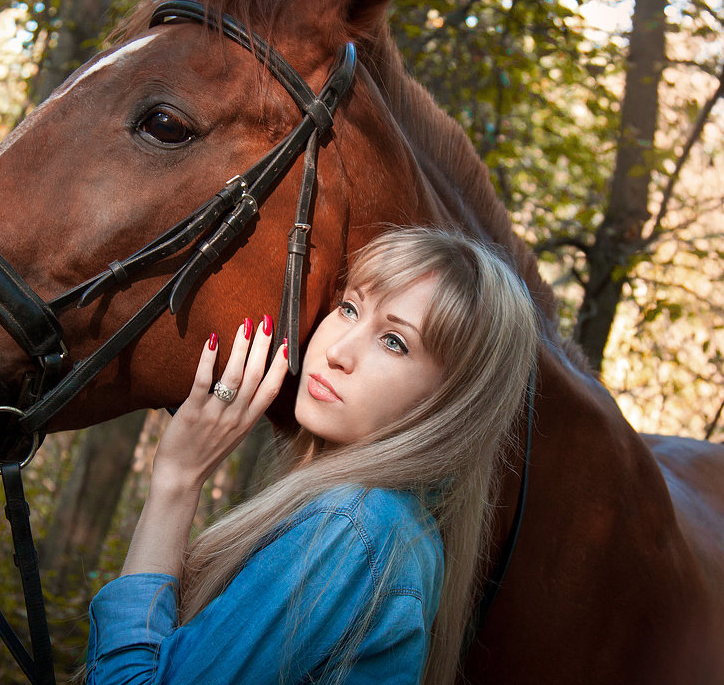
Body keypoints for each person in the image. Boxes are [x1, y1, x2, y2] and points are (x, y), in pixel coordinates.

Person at [85, 227, 539, 685]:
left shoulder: (355, 528)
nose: (337, 351)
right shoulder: (401, 529)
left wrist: (176, 480)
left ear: (449, 403)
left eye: (394, 341)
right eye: (349, 308)